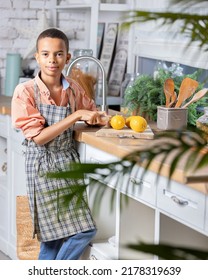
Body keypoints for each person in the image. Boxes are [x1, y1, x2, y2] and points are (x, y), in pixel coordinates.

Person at [11, 28, 108, 260]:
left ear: (67, 57)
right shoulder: (25, 92)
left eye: (58, 54)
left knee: (53, 239)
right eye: (45, 54)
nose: (52, 60)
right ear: (37, 57)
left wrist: (100, 118)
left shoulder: (73, 89)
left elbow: (91, 113)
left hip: (67, 160)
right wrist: (75, 116)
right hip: (42, 164)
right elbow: (39, 137)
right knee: (83, 231)